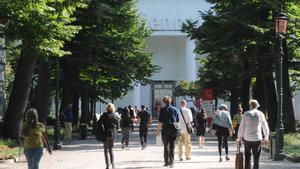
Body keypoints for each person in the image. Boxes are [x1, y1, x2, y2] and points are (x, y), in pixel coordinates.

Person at [237, 100, 270, 169]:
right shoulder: (260, 114)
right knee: (256, 158)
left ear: (250, 105)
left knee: (247, 157)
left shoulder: (246, 114)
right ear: (257, 106)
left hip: (247, 138)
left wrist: (239, 138)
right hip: (257, 138)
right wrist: (266, 137)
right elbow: (265, 126)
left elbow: (241, 127)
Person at [157, 96, 179, 168]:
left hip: (165, 130)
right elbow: (177, 120)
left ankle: (166, 162)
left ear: (164, 102)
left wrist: (158, 130)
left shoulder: (162, 110)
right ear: (170, 101)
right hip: (173, 130)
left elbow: (160, 122)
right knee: (172, 147)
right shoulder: (175, 109)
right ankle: (171, 162)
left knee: (165, 146)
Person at [99, 103, 119, 169]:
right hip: (113, 134)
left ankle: (107, 165)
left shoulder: (104, 115)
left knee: (106, 150)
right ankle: (113, 164)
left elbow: (99, 123)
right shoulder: (115, 116)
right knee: (111, 149)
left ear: (107, 108)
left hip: (106, 134)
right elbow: (118, 127)